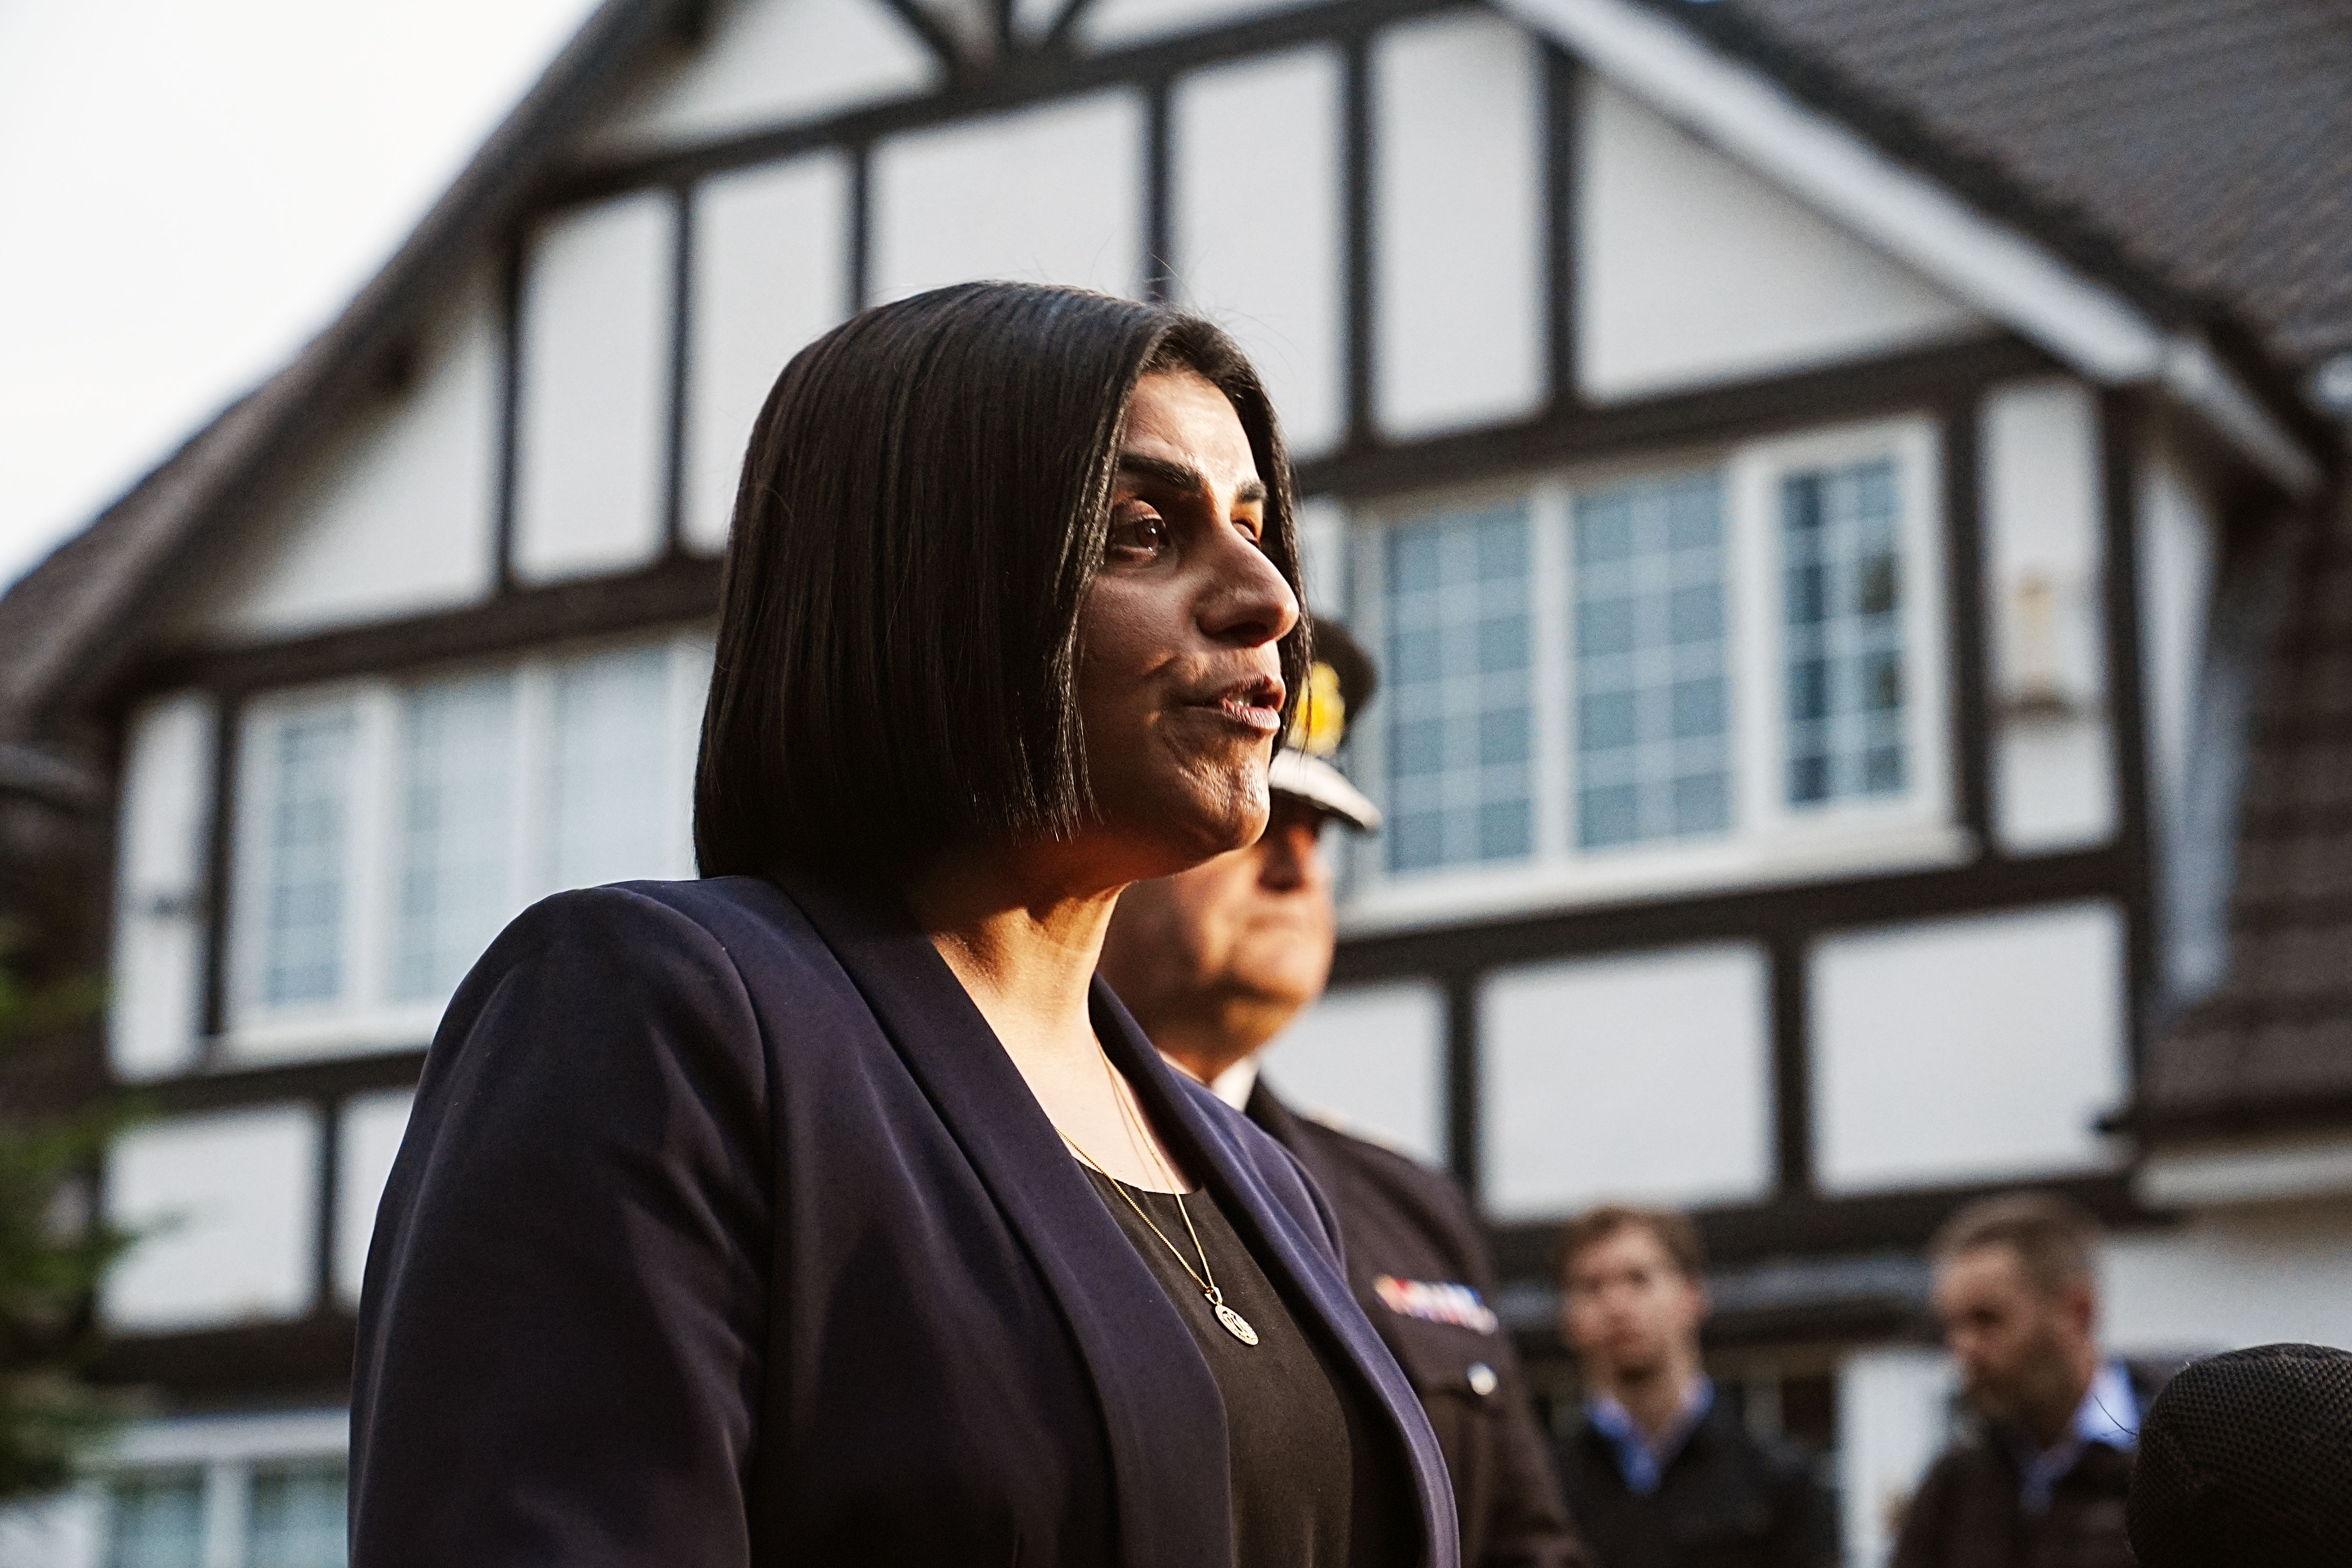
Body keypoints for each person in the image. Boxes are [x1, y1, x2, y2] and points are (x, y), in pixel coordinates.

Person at [349, 281, 1458, 1567]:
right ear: (926, 582)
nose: (1268, 599)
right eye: (1145, 531)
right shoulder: (662, 1019)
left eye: (1258, 528)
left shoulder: (1260, 1175)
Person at [1098, 623, 1592, 1568]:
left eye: (1316, 832)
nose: (1296, 867)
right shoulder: (973, 1149)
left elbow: (1525, 1545)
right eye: (1254, 819)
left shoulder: (1408, 1208)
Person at [1552, 1207, 1835, 1568]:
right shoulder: (1543, 1496)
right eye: (1591, 1287)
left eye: (1639, 1279)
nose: (1616, 1305)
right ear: (1568, 1319)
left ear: (1693, 1296)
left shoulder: (1780, 1484)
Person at [1894, 1192, 2154, 1568]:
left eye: (1987, 1319)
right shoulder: (1953, 1489)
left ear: (2078, 1312)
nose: (1964, 1349)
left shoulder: (2185, 1462)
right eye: (1952, 1326)